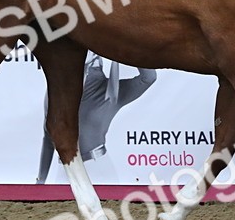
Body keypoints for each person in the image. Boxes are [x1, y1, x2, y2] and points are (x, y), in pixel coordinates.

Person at [37, 53, 157, 185]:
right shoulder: (56, 92)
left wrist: (126, 47)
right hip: (65, 169)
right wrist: (40, 181)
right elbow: (49, 138)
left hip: (97, 169)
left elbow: (149, 77)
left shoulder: (110, 90)